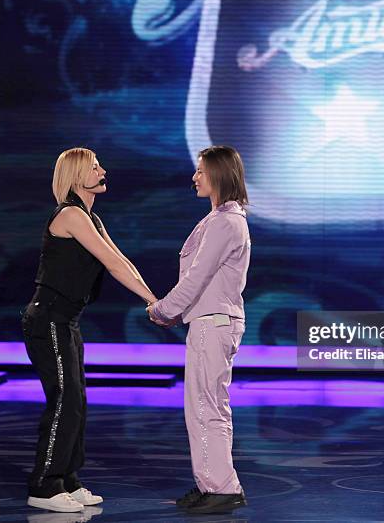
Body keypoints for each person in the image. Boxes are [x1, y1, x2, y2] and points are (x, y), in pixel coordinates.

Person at [21, 147, 157, 513]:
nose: (102, 170)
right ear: (77, 176)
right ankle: (45, 486)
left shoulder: (91, 219)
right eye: (94, 167)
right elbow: (112, 264)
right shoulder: (70, 215)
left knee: (76, 400)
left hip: (65, 321)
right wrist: (153, 302)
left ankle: (68, 480)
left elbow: (122, 259)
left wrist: (155, 300)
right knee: (64, 398)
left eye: (100, 165)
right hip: (47, 319)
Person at [147, 145, 251, 514]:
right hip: (209, 321)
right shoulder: (221, 219)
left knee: (207, 407)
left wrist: (163, 310)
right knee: (205, 406)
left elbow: (195, 279)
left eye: (200, 171)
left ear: (218, 174)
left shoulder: (225, 222)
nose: (194, 177)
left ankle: (221, 487)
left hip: (212, 323)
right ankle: (211, 483)